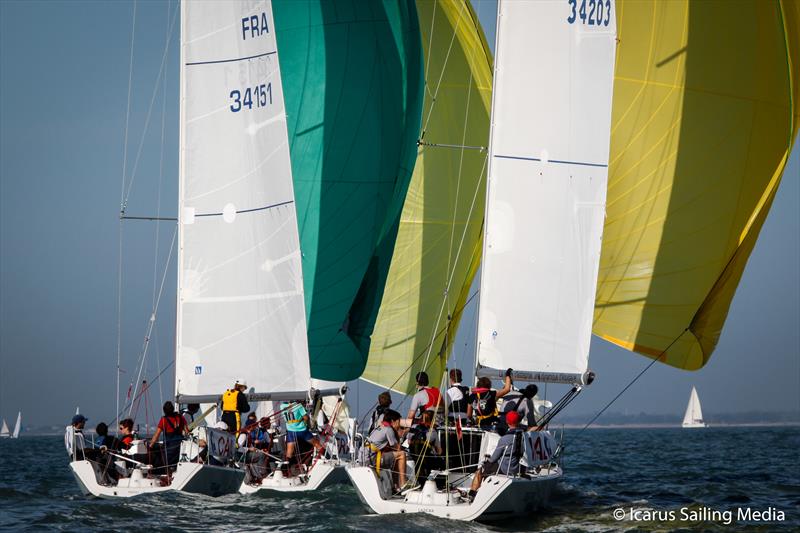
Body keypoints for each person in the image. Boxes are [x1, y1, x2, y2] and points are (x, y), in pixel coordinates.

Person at [468, 410, 525, 501]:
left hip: (504, 469)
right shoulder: (524, 436)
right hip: (517, 468)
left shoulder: (505, 439)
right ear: (518, 421)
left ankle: (472, 494)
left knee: (480, 470)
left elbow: (494, 458)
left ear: (507, 422)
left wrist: (485, 463)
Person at [366, 409, 409, 493]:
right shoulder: (389, 429)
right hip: (373, 459)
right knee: (402, 455)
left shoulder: (379, 427)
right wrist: (401, 433)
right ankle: (403, 484)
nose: (399, 425)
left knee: (397, 456)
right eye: (398, 422)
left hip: (366, 457)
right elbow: (398, 448)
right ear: (393, 421)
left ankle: (395, 486)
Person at [280, 400, 324, 470]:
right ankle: (326, 458)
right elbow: (306, 418)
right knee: (317, 444)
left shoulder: (282, 406)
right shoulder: (298, 406)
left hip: (291, 432)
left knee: (289, 454)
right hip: (302, 431)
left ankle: (284, 471)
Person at [150, 401, 189, 472]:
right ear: (173, 409)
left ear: (164, 411)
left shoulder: (164, 420)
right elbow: (187, 432)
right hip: (179, 448)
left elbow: (156, 436)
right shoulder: (181, 417)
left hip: (169, 449)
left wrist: (150, 446)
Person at [406, 410, 442, 480]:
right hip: (426, 459)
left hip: (413, 456)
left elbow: (409, 442)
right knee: (441, 462)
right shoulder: (433, 431)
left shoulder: (413, 427)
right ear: (432, 419)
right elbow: (439, 451)